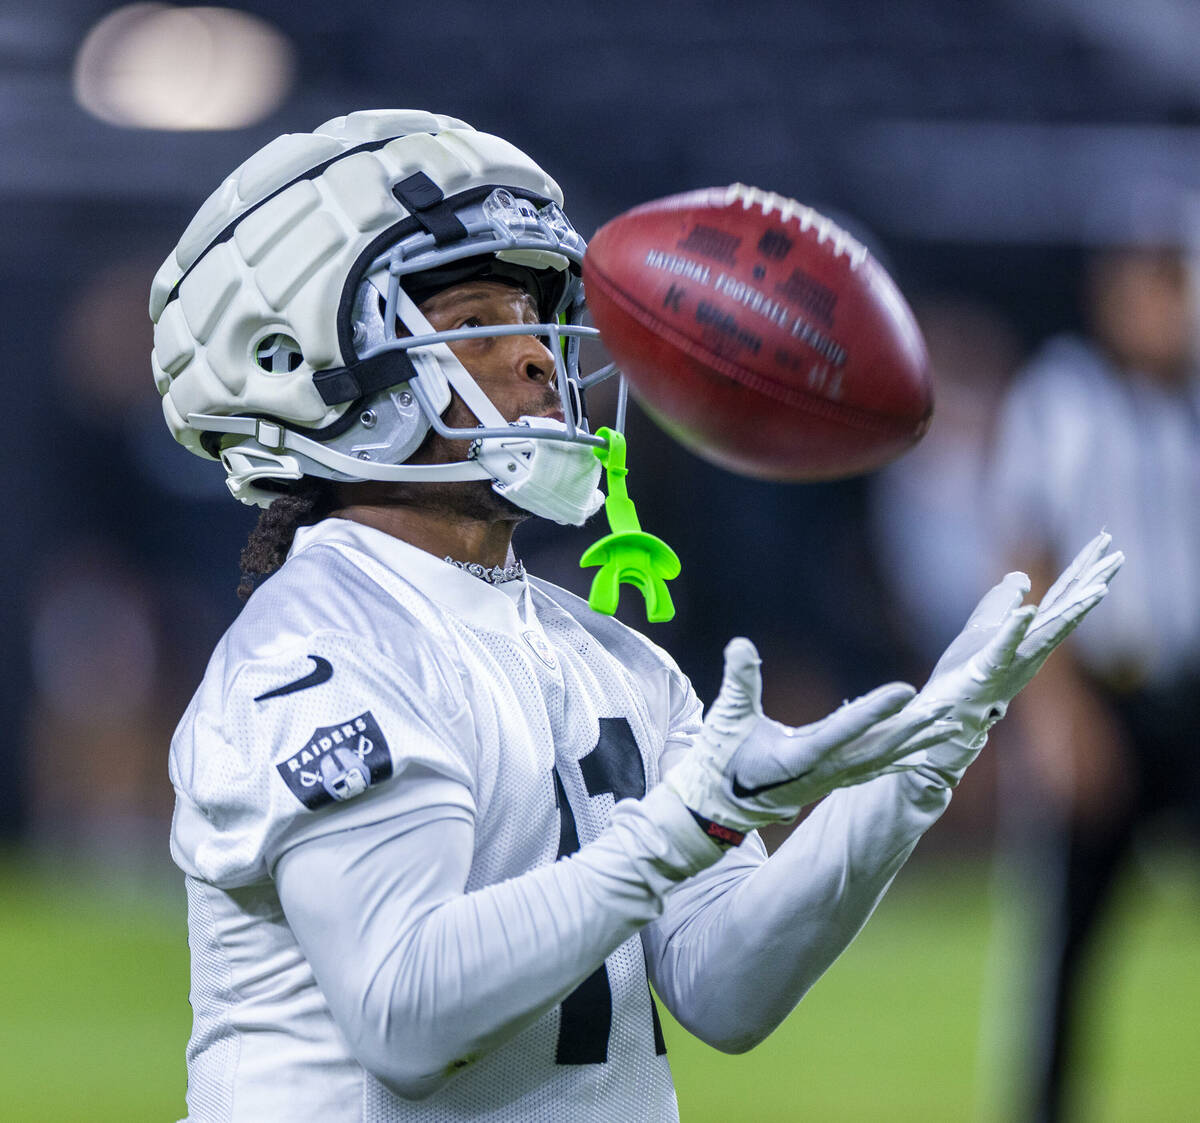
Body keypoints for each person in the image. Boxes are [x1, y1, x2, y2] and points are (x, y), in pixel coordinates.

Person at [152, 110, 1121, 1122]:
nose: (535, 357)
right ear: (304, 367)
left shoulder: (602, 654)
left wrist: (918, 768)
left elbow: (724, 983)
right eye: (475, 319)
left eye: (533, 318)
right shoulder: (313, 646)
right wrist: (683, 825)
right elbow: (407, 1011)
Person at [989, 240, 1200, 1122]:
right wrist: (1056, 710)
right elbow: (1027, 554)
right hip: (1103, 691)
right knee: (1066, 945)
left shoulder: (1186, 409)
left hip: (1189, 699)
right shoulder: (1061, 397)